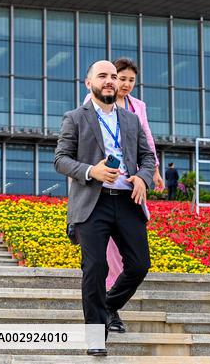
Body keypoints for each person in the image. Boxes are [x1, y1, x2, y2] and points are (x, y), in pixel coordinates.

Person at [54, 61, 156, 357]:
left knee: (139, 265)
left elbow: (148, 157)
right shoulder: (75, 118)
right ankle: (95, 335)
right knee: (95, 267)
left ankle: (108, 305)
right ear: (89, 83)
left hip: (127, 201)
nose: (110, 81)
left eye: (113, 76)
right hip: (92, 203)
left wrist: (143, 177)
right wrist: (90, 171)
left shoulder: (131, 120)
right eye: (103, 76)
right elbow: (60, 159)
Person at [103, 58, 163, 300]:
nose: (126, 84)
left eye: (131, 80)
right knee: (108, 245)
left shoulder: (137, 106)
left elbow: (146, 138)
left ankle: (113, 298)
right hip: (106, 181)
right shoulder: (95, 102)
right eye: (121, 78)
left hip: (133, 179)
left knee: (133, 245)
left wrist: (154, 170)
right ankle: (109, 289)